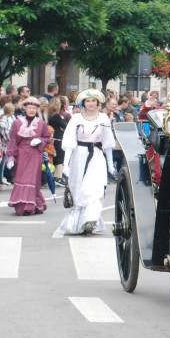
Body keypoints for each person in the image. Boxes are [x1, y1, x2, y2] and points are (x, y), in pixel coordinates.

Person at [60, 89, 116, 235]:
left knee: (95, 188)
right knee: (78, 188)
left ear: (98, 103)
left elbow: (108, 142)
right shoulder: (76, 119)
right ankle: (76, 223)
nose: (90, 104)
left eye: (93, 101)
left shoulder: (103, 118)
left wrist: (110, 164)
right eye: (88, 101)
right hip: (79, 155)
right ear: (83, 103)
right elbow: (69, 142)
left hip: (97, 155)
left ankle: (91, 219)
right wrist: (66, 164)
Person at [7, 97, 53, 216]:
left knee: (32, 180)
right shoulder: (17, 123)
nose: (31, 110)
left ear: (37, 109)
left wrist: (40, 140)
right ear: (25, 108)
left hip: (35, 155)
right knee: (21, 179)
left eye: (34, 108)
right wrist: (11, 156)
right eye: (29, 108)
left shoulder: (41, 124)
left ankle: (30, 205)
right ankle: (21, 205)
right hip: (21, 155)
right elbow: (12, 140)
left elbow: (48, 138)